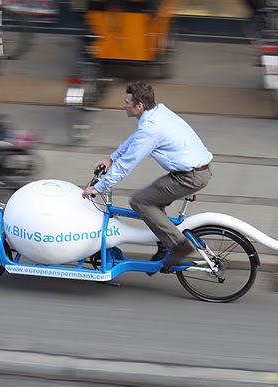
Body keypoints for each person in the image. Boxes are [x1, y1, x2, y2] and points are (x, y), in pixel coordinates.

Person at [82, 81, 213, 270]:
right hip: (195, 171)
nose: (124, 105)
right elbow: (135, 139)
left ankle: (180, 245)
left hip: (189, 177)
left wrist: (98, 187)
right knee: (154, 203)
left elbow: (127, 165)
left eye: (127, 102)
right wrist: (111, 158)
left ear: (139, 106)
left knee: (140, 202)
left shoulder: (151, 129)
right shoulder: (158, 112)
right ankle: (164, 245)